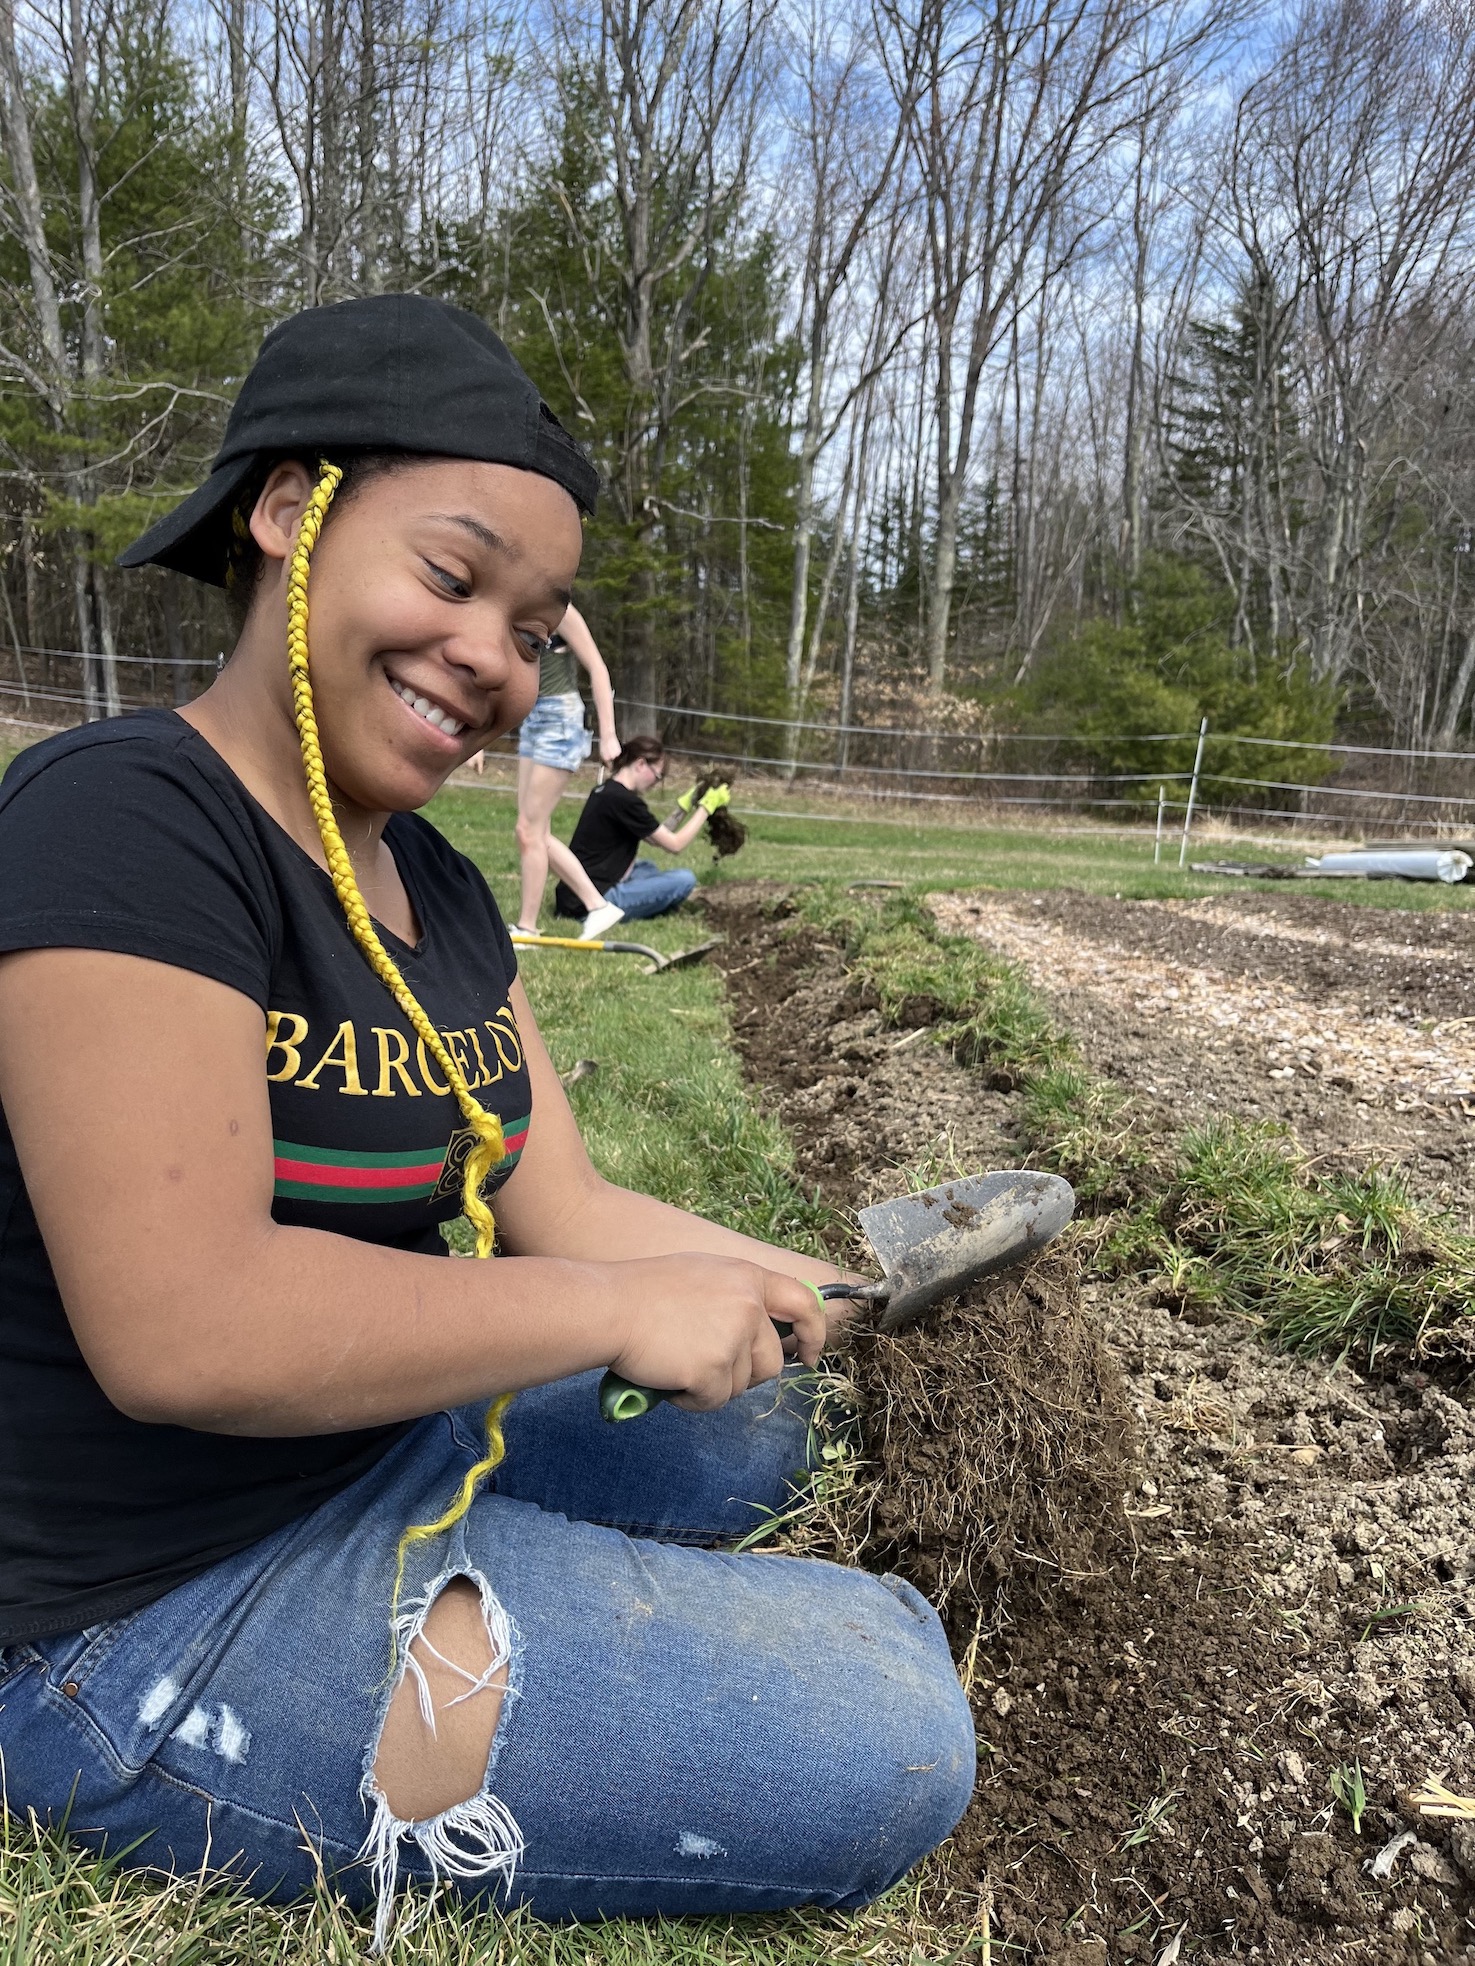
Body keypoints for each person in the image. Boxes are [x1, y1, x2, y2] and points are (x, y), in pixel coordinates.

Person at [0, 294, 974, 1946]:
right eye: (452, 578)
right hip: (137, 1597)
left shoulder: (436, 890)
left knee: (775, 1416)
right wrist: (607, 1312)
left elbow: (565, 1208)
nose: (493, 660)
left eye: (530, 627)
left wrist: (835, 1290)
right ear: (288, 511)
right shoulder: (124, 820)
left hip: (375, 1435)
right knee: (888, 1731)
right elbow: (185, 1327)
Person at [507, 602, 623, 940]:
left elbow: (598, 668)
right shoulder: (518, 602)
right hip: (533, 720)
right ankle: (598, 906)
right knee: (532, 832)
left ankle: (527, 929)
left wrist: (609, 735)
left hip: (560, 721)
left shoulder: (562, 611)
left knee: (529, 830)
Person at [554, 735, 727, 923]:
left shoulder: (606, 791)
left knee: (647, 868)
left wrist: (684, 808)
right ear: (641, 764)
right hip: (592, 902)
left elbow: (655, 838)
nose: (655, 784)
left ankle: (654, 898)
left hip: (573, 893)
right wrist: (706, 808)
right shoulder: (625, 801)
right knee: (685, 879)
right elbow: (675, 845)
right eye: (657, 776)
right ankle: (628, 905)